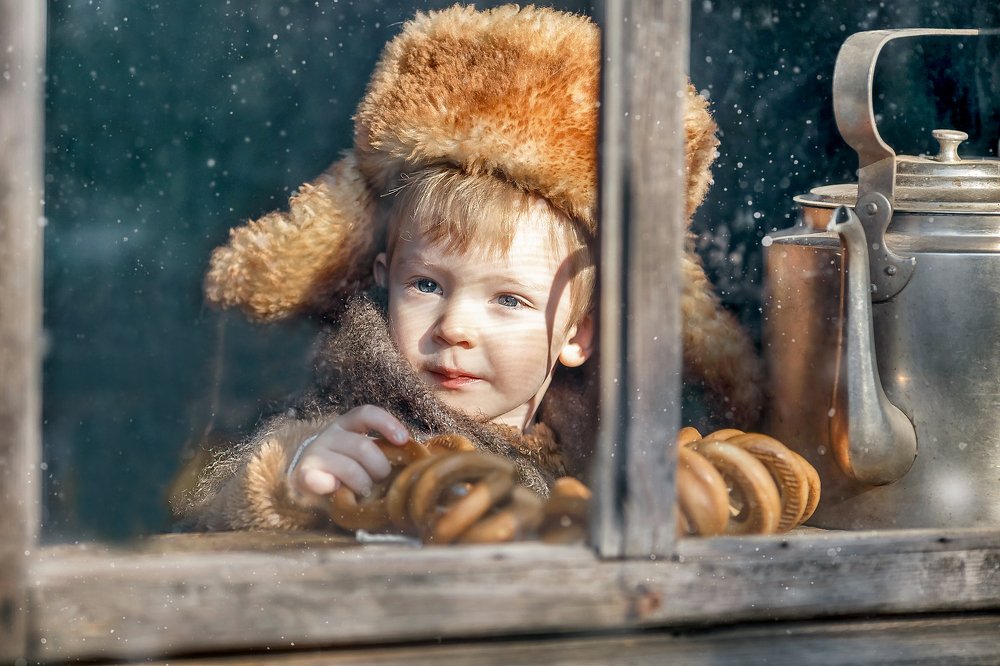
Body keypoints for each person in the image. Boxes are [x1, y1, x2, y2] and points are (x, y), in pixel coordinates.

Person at [173, 4, 761, 532]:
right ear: (384, 280)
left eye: (509, 300)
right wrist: (294, 472)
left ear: (579, 334)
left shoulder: (610, 447)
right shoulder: (358, 416)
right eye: (427, 285)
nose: (454, 326)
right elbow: (204, 487)